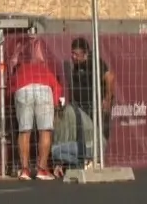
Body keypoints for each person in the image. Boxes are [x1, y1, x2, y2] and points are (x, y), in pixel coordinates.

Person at [11, 38, 64, 179]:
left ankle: (25, 170)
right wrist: (56, 105)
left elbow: (11, 88)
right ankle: (42, 169)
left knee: (24, 131)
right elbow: (57, 87)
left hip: (23, 87)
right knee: (45, 130)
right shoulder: (45, 70)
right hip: (44, 88)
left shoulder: (19, 70)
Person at [65, 37, 115, 165]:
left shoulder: (95, 63)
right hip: (83, 107)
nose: (73, 57)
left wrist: (107, 99)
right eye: (72, 53)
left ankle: (97, 160)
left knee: (99, 134)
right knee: (86, 135)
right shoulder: (76, 66)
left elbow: (110, 77)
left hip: (97, 106)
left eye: (76, 54)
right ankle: (89, 160)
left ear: (85, 53)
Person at [49, 96, 90, 176]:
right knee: (57, 153)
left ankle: (83, 161)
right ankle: (83, 162)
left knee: (53, 150)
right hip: (82, 147)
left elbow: (67, 139)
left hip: (83, 146)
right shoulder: (67, 112)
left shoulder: (68, 112)